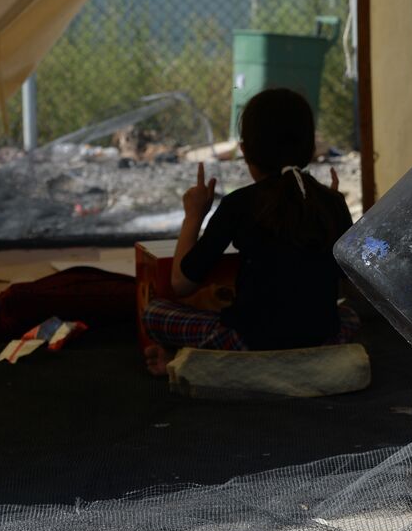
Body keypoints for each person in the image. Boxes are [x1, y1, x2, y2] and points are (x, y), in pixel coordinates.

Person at [142, 88, 358, 375]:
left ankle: (210, 361)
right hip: (321, 338)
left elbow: (182, 284)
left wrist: (194, 215)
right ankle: (306, 360)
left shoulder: (239, 203)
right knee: (349, 315)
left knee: (154, 312)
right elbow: (350, 282)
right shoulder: (331, 202)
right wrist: (327, 214)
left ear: (245, 151)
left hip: (250, 342)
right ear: (309, 149)